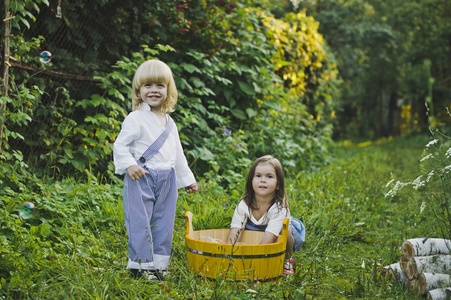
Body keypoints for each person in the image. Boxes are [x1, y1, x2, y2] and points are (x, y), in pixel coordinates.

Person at [113, 59, 198, 280]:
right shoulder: (135, 118)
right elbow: (120, 145)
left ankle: (160, 265)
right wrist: (130, 164)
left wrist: (186, 178)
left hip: (167, 179)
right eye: (147, 85)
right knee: (140, 222)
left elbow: (177, 153)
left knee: (164, 221)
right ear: (138, 90)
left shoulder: (170, 123)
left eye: (159, 85)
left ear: (168, 89)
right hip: (142, 176)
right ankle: (140, 266)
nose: (153, 90)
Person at [225, 155, 305, 275]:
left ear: (278, 184)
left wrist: (254, 259)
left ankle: (288, 260)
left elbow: (270, 237)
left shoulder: (279, 208)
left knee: (286, 230)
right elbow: (235, 231)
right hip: (255, 228)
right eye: (258, 176)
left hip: (278, 232)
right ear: (251, 180)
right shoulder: (244, 204)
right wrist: (227, 254)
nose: (263, 180)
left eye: (269, 176)